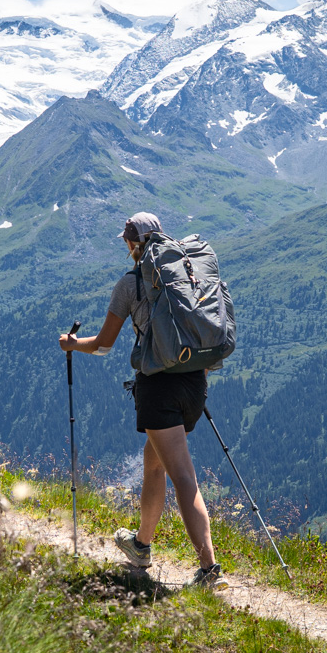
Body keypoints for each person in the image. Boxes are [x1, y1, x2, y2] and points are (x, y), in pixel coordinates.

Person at [58, 212, 227, 590]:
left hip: (158, 390)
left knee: (183, 476)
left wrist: (71, 344)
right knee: (155, 466)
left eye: (126, 240)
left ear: (135, 243)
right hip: (195, 385)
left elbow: (103, 345)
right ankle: (141, 546)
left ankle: (209, 570)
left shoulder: (130, 284)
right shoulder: (185, 277)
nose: (126, 246)